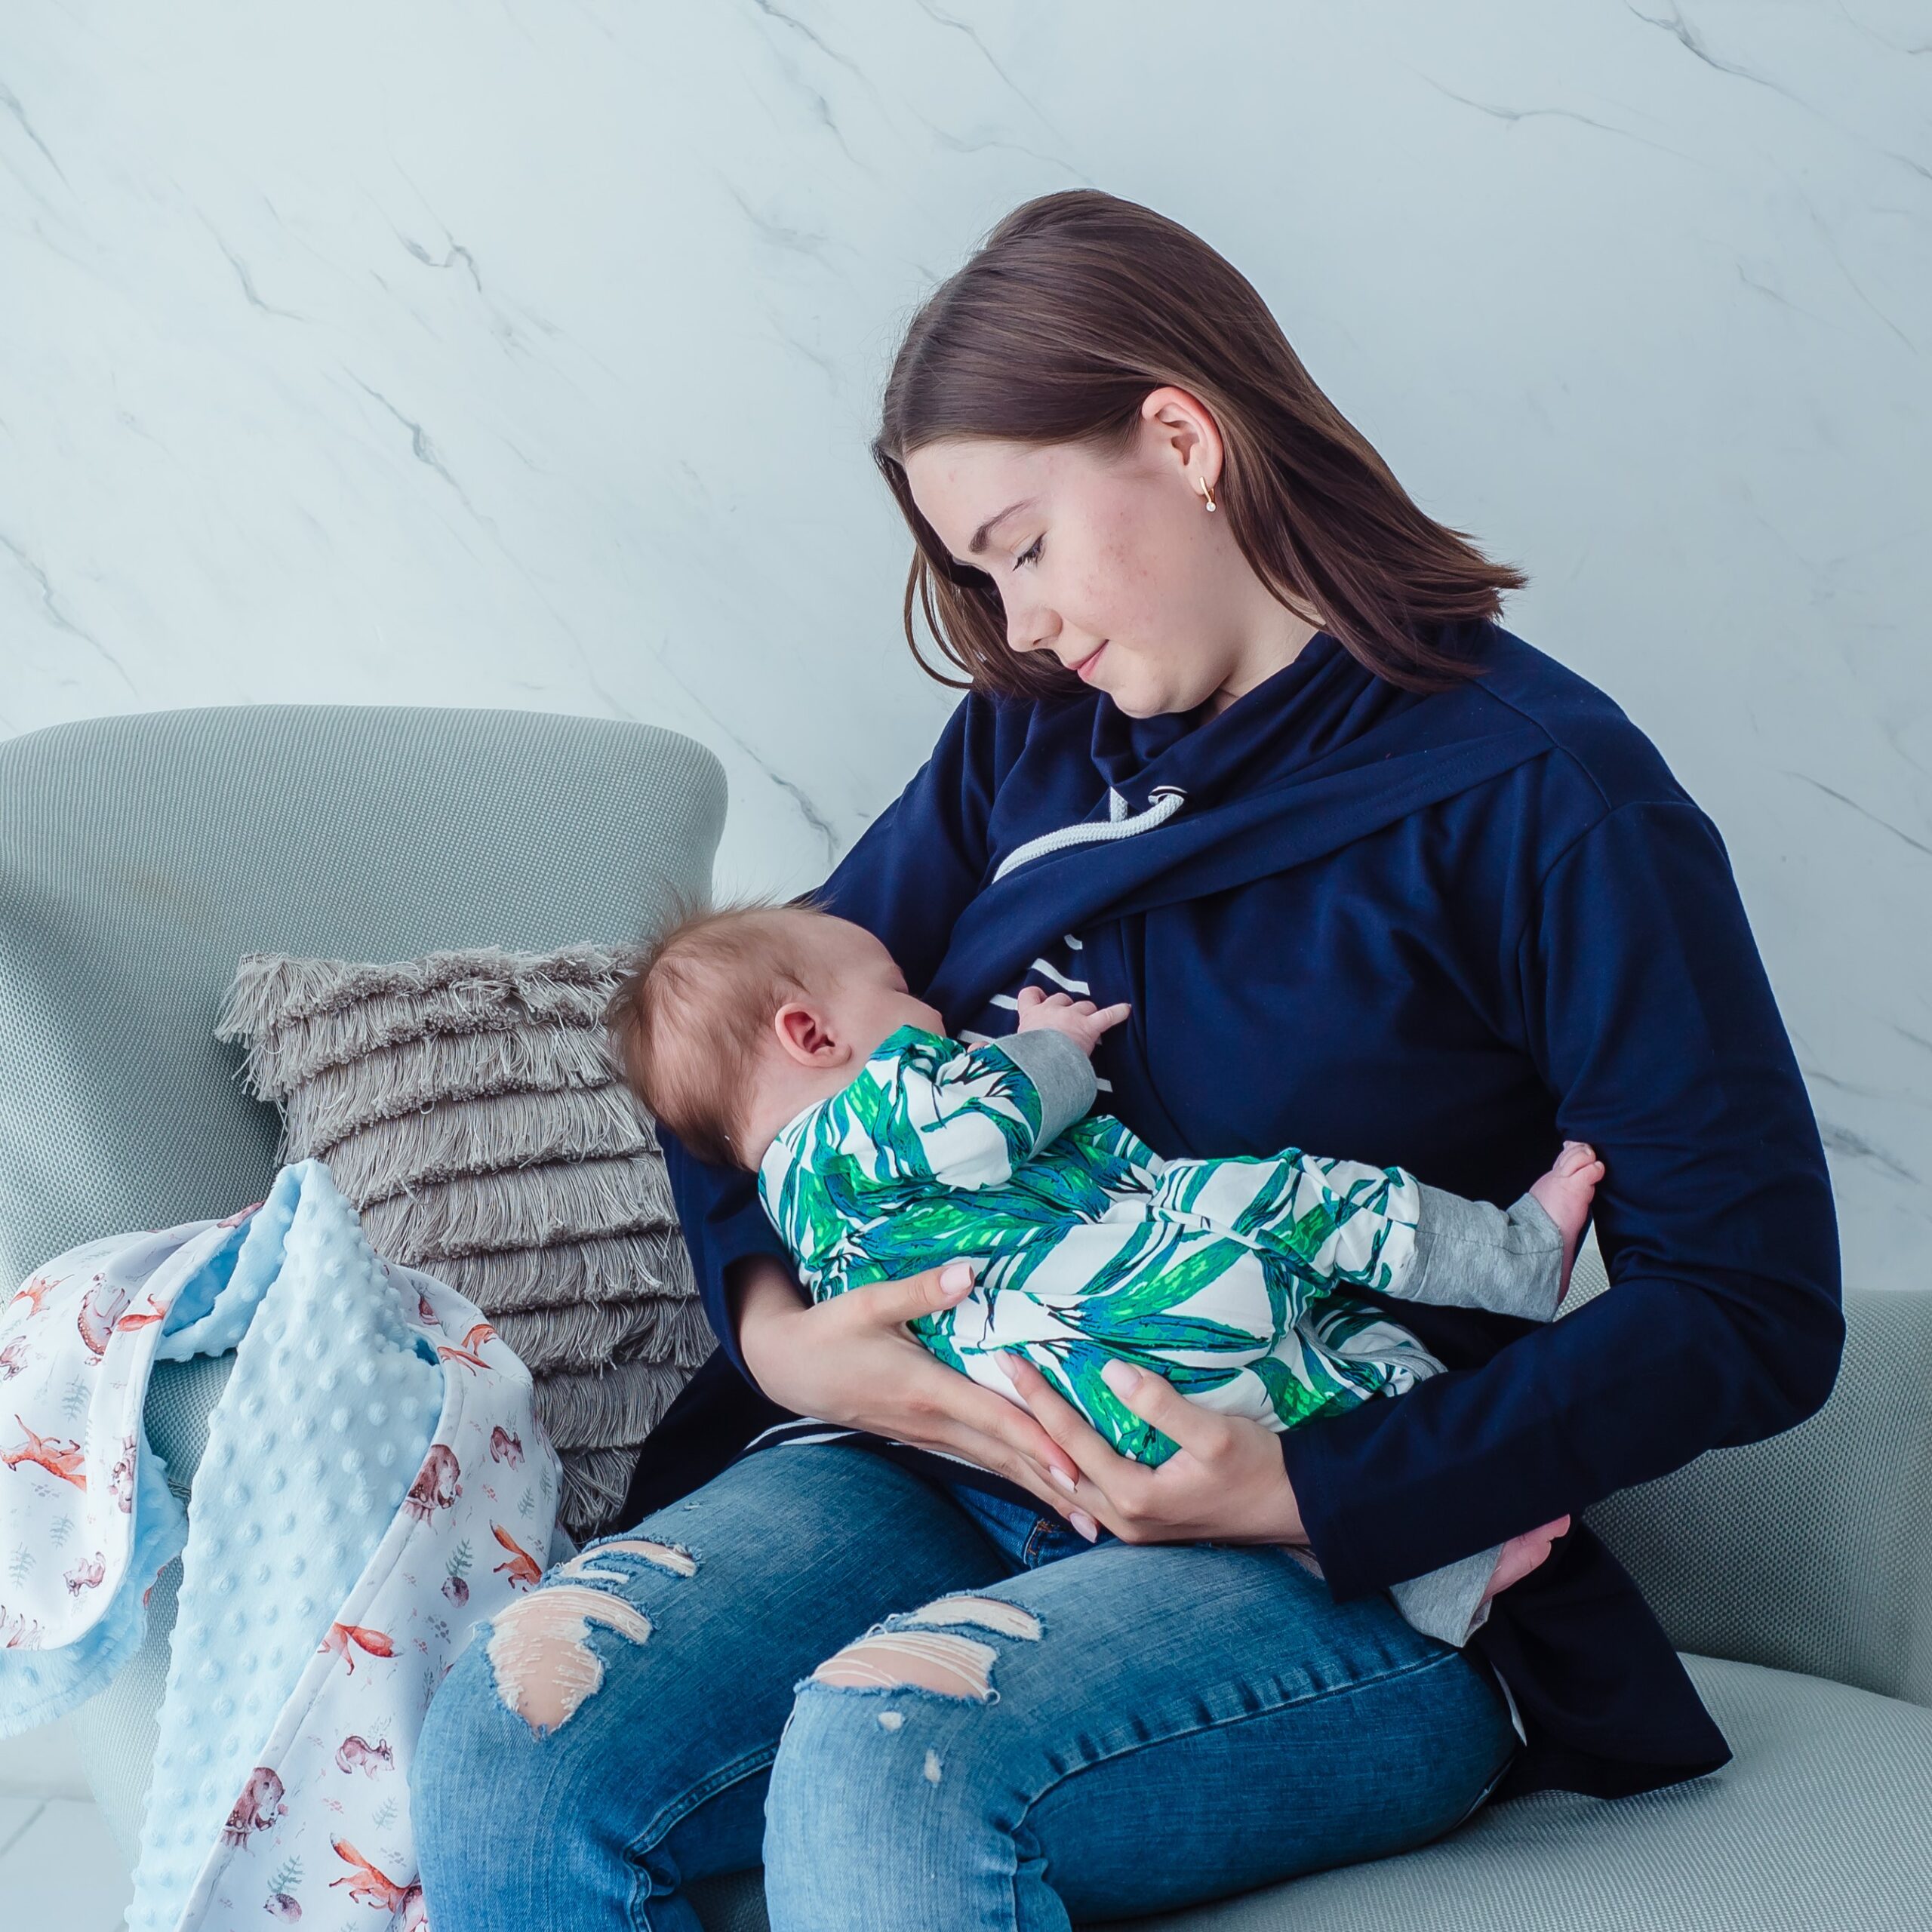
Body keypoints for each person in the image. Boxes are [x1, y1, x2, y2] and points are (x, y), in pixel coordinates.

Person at [411, 189, 1841, 1932]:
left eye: (1018, 545)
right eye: (974, 572)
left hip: (1343, 1545)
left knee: (893, 1761)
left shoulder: (1544, 798)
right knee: (514, 1724)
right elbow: (737, 1044)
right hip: (949, 1453)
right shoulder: (1023, 751)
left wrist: (1310, 1486)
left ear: (1179, 436)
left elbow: (1751, 1302)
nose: (1011, 627)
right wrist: (799, 1348)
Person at [602, 897, 1602, 1654]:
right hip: (1149, 1293)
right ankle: (1513, 1257)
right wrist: (1052, 1045)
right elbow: (993, 1112)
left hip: (1092, 1414)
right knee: (1311, 1214)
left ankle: (1450, 1572)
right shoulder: (864, 1120)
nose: (936, 1007)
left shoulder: (802, 1216)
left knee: (1310, 1396)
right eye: (901, 987)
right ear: (809, 1034)